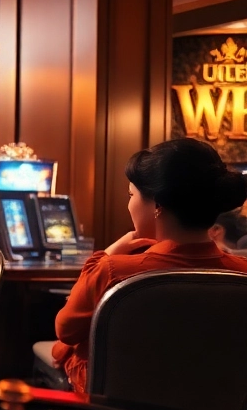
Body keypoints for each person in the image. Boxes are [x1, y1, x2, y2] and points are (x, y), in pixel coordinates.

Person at [49, 139, 247, 394]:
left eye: (131, 195)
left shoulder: (114, 271)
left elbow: (65, 330)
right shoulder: (241, 273)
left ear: (157, 205)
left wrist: (106, 255)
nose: (129, 204)